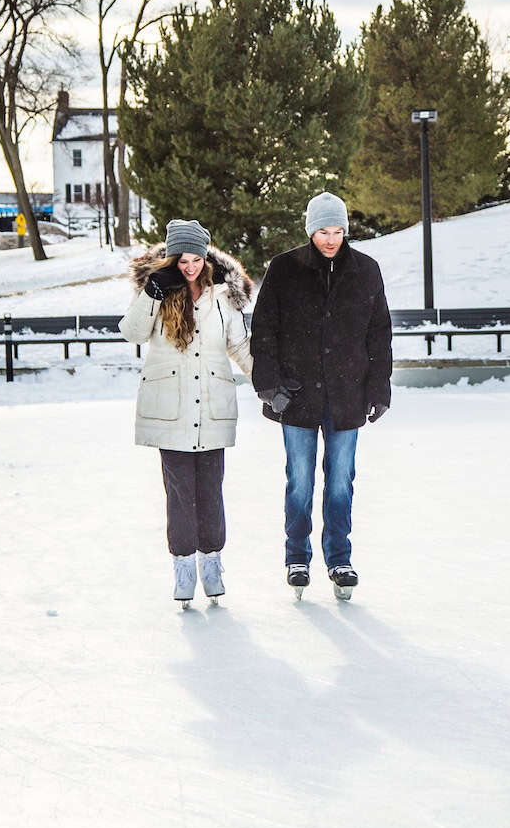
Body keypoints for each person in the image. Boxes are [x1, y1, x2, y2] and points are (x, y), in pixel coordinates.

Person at [249, 192, 393, 600]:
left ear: (346, 230)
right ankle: (297, 556)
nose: (330, 239)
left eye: (337, 231)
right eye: (322, 231)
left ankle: (339, 558)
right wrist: (269, 385)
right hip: (296, 396)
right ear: (310, 229)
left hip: (348, 394)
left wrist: (379, 388)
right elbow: (264, 329)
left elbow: (379, 333)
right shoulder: (284, 269)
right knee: (299, 481)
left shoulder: (366, 270)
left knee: (341, 482)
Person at [119, 219, 255, 606]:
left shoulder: (223, 297)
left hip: (212, 407)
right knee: (179, 493)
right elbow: (131, 332)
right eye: (183, 259)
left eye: (197, 259)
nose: (190, 266)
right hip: (170, 411)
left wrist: (268, 384)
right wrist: (151, 295)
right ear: (172, 258)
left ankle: (212, 563)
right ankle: (182, 567)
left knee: (211, 490)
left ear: (206, 259)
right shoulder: (157, 290)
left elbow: (240, 346)